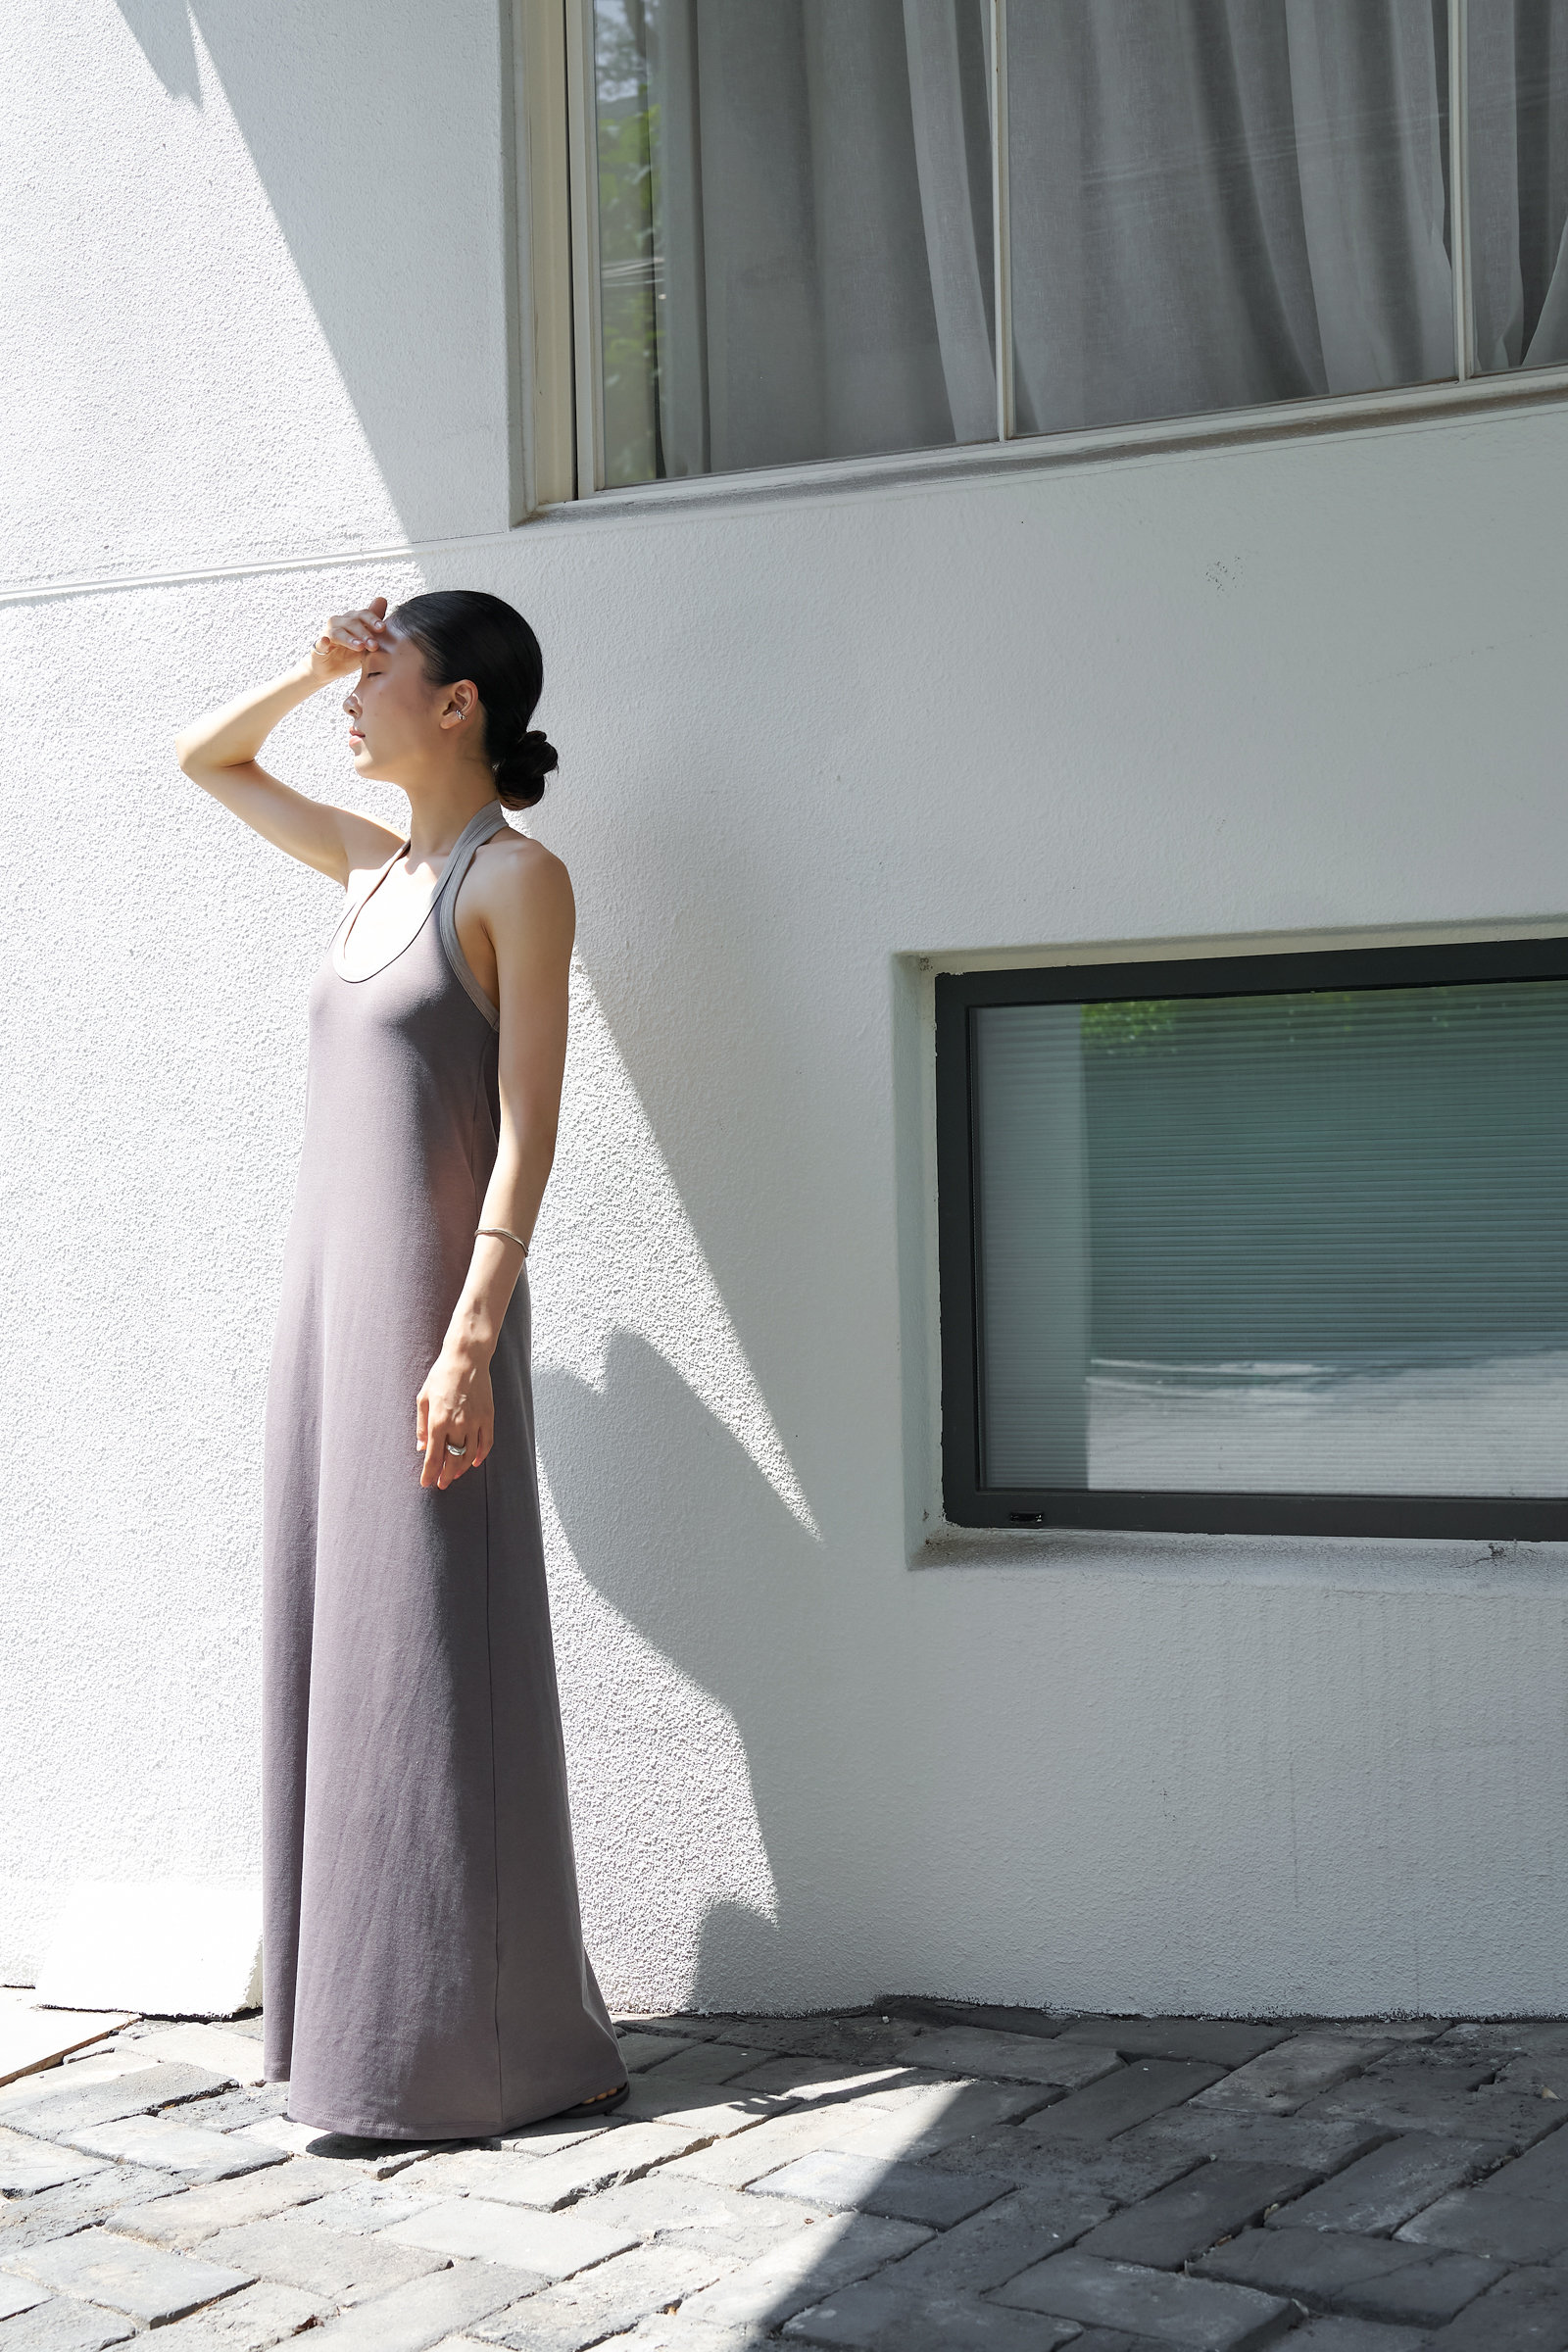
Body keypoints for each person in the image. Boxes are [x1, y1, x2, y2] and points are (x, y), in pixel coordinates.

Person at [175, 589, 626, 2138]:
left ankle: (501, 2047)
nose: (351, 709)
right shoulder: (373, 870)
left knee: (439, 1657)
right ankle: (362, 2035)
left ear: (460, 706)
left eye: (379, 683)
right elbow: (205, 760)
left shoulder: (519, 881)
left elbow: (529, 1132)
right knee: (351, 1651)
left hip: (435, 1316)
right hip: (331, 1314)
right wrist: (308, 666)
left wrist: (472, 1339)